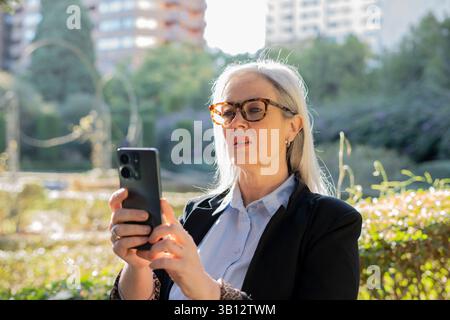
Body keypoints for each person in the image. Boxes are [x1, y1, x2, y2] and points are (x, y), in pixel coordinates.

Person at [108, 60, 362, 300]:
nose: (237, 123)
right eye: (228, 112)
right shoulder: (197, 214)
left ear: (293, 126)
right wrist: (137, 264)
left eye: (254, 110)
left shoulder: (331, 223)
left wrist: (207, 290)